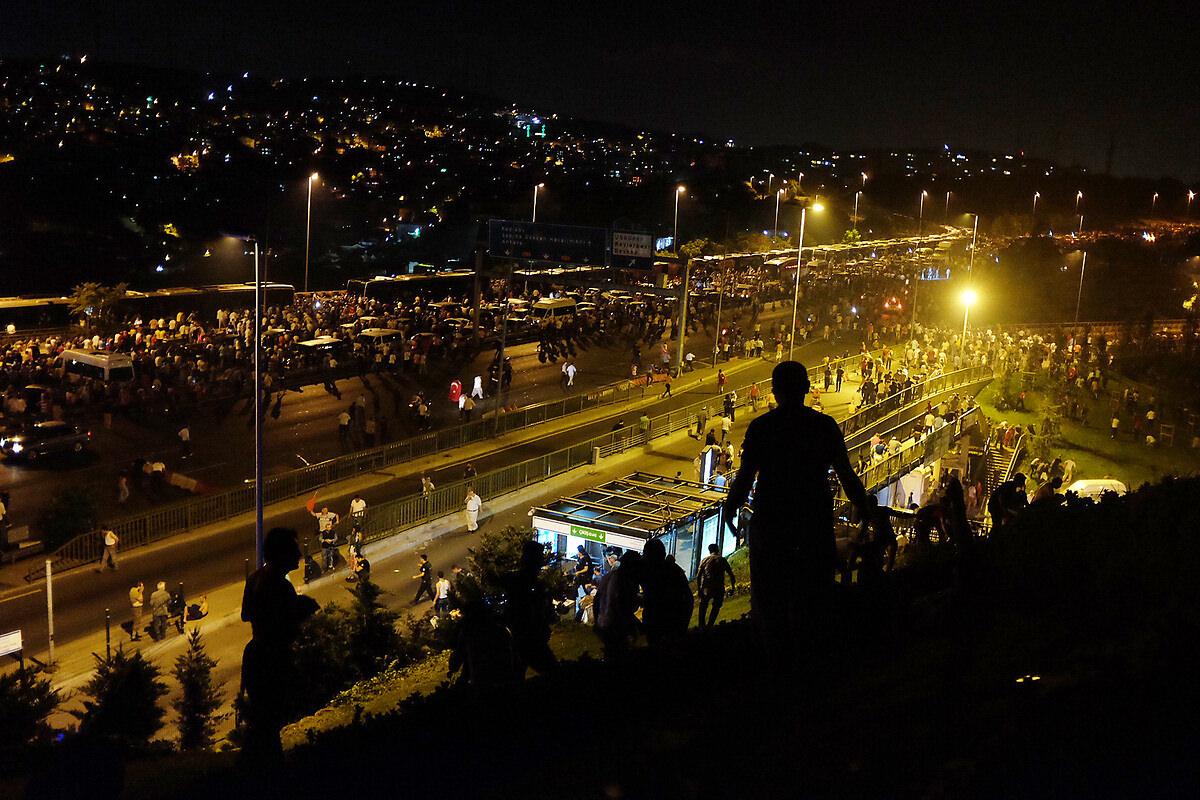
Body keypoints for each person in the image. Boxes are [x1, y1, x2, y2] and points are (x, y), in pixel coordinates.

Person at [724, 360, 870, 672]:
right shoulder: (825, 426)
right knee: (813, 595)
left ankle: (772, 664)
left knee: (769, 598)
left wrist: (731, 505)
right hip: (812, 521)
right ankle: (809, 665)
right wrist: (865, 508)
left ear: (775, 392)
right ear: (806, 389)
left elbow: (746, 475)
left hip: (772, 523)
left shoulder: (762, 428)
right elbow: (846, 474)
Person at [240, 527, 320, 758]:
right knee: (270, 720)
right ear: (282, 553)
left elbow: (246, 614)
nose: (299, 554)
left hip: (257, 655)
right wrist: (301, 607)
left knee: (264, 721)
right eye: (294, 549)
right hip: (271, 659)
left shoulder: (256, 578)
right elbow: (282, 621)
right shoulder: (279, 585)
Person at [502, 540, 559, 677]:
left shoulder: (519, 580)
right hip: (529, 639)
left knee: (516, 673)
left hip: (525, 637)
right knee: (553, 673)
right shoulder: (526, 584)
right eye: (539, 558)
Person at [639, 538, 693, 645]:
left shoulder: (649, 572)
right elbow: (687, 598)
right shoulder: (674, 570)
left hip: (662, 620)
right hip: (673, 620)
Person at [695, 543, 736, 629]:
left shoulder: (704, 560)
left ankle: (701, 626)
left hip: (706, 587)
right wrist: (733, 587)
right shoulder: (722, 560)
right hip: (718, 586)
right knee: (716, 606)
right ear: (717, 550)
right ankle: (710, 625)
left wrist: (699, 589)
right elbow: (731, 574)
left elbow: (698, 576)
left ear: (709, 551)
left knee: (703, 606)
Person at [312, 506, 340, 571]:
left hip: (331, 545)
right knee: (324, 557)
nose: (325, 511)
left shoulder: (333, 532)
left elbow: (335, 538)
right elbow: (320, 539)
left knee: (331, 556)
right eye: (324, 510)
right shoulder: (323, 532)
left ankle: (331, 566)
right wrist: (324, 540)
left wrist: (331, 540)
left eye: (326, 510)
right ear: (322, 510)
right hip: (324, 545)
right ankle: (324, 568)